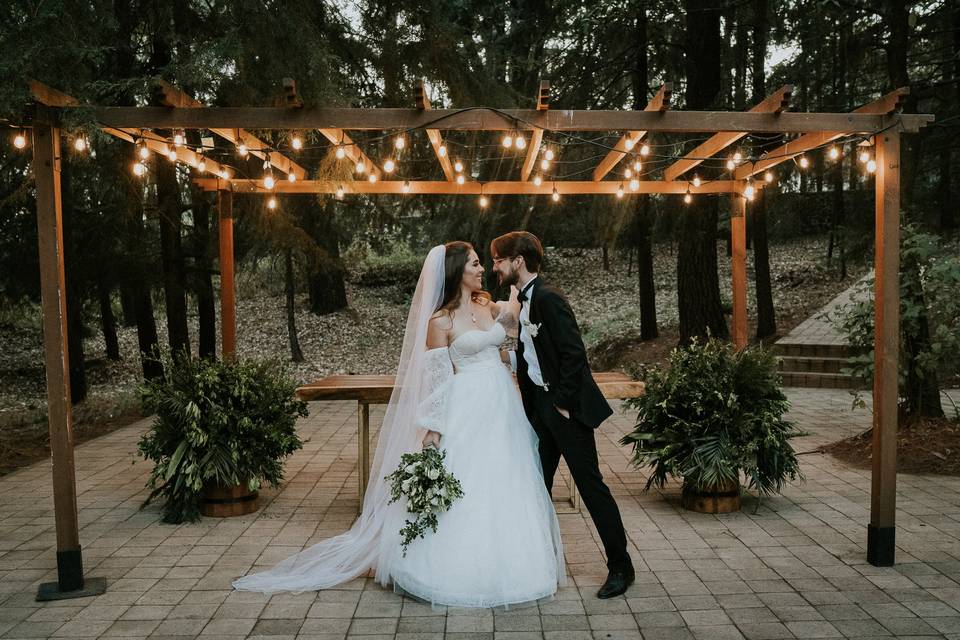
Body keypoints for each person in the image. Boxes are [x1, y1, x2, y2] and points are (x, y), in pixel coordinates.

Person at [233, 241, 563, 608]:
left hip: (502, 406)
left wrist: (520, 299)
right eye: (474, 263)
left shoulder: (487, 304)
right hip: (466, 406)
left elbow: (514, 322)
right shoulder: (439, 321)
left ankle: (518, 563)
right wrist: (432, 430)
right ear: (456, 271)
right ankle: (455, 567)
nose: (482, 268)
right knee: (469, 484)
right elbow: (436, 379)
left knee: (507, 480)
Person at [490, 231, 634, 599]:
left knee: (591, 487)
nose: (495, 267)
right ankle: (533, 563)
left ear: (517, 261)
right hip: (540, 410)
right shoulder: (523, 301)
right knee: (535, 487)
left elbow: (574, 354)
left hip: (564, 411)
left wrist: (564, 403)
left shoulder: (549, 298)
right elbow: (532, 355)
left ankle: (621, 567)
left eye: (498, 260)